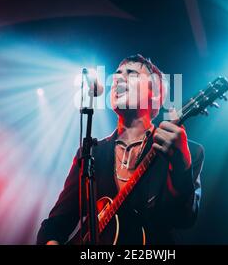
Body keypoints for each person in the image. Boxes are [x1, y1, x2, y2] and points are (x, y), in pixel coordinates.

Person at [37, 54, 204, 245]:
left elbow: (184, 218)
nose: (118, 78)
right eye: (116, 74)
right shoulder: (92, 153)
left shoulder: (185, 152)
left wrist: (181, 162)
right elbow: (54, 226)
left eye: (131, 73)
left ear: (156, 94)